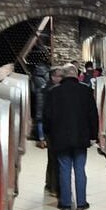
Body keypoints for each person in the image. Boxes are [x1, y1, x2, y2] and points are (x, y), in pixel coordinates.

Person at [43, 62, 98, 210]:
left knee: (64, 169)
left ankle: (66, 203)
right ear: (76, 75)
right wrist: (94, 135)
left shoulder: (54, 92)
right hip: (81, 137)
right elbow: (93, 115)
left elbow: (47, 116)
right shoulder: (86, 91)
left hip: (60, 138)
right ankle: (81, 203)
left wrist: (48, 133)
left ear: (63, 75)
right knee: (80, 169)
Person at [43, 66, 63, 196]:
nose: (59, 78)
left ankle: (50, 183)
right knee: (54, 159)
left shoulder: (56, 90)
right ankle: (54, 187)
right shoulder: (49, 90)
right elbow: (44, 112)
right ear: (52, 77)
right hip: (52, 130)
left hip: (54, 129)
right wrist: (44, 133)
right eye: (57, 76)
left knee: (53, 158)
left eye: (61, 76)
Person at [31, 62, 49, 146]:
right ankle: (47, 139)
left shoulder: (34, 76)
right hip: (46, 96)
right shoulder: (47, 74)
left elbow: (32, 89)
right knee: (46, 118)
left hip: (38, 97)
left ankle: (41, 139)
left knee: (39, 119)